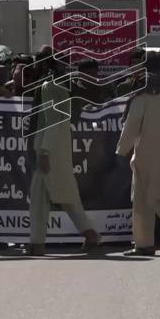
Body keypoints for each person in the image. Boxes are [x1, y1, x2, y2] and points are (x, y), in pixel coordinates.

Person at [26, 60, 101, 256]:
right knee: (66, 196)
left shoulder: (50, 86)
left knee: (42, 198)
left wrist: (44, 152)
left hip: (49, 148)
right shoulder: (62, 85)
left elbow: (51, 122)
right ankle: (90, 234)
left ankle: (37, 244)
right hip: (58, 147)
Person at [116, 53, 160, 255]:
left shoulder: (143, 91)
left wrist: (122, 150)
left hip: (146, 146)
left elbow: (134, 121)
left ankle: (146, 243)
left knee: (142, 197)